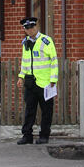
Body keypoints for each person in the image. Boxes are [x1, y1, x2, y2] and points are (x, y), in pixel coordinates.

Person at [17, 17, 58, 145]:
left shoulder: (46, 41)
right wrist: (21, 76)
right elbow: (25, 61)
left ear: (36, 27)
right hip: (30, 82)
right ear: (24, 30)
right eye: (27, 28)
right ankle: (27, 135)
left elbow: (54, 60)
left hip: (45, 83)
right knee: (29, 110)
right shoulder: (26, 42)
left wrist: (53, 79)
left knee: (46, 111)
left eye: (32, 27)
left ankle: (44, 135)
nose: (30, 30)